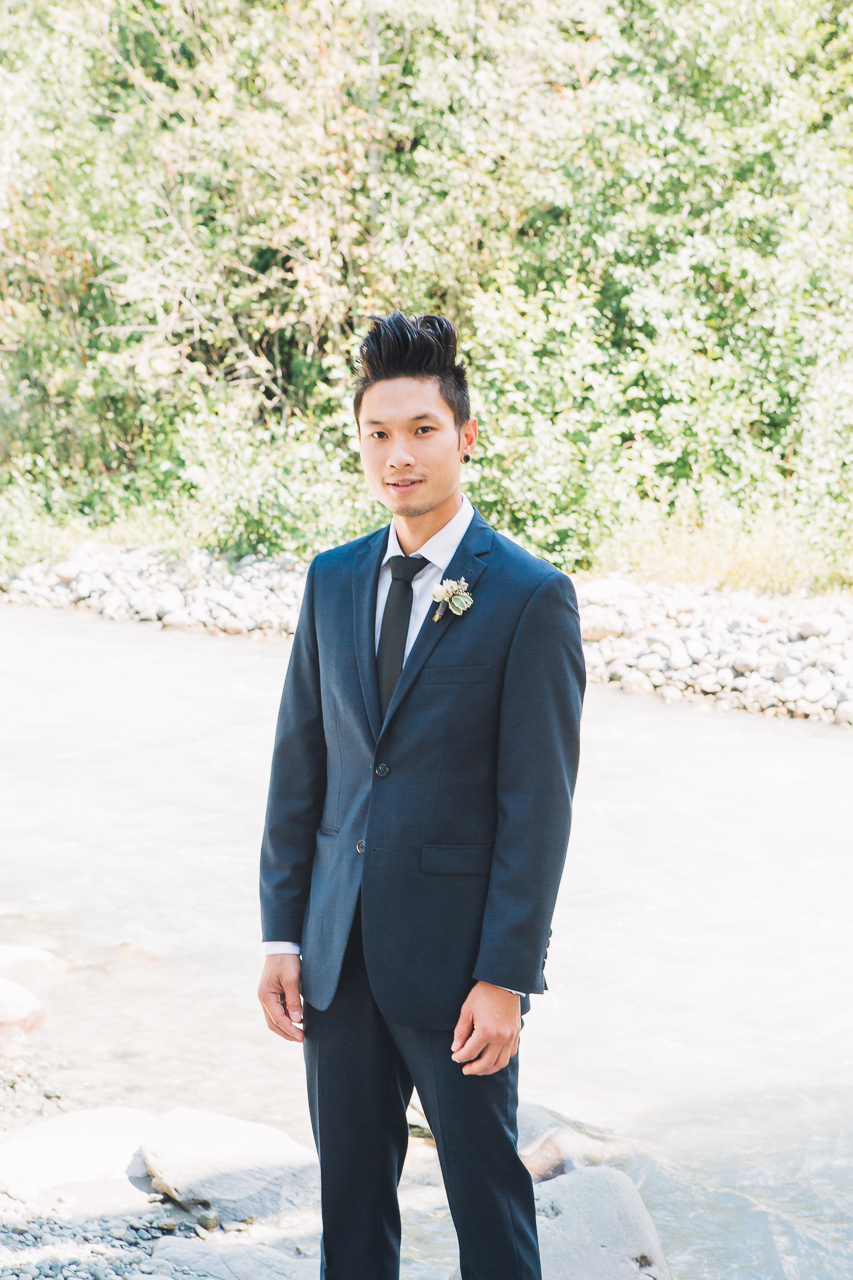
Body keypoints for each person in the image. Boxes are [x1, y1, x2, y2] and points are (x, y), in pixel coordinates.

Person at [258, 311, 585, 1280]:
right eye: (378, 433)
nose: (397, 454)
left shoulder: (528, 594)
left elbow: (537, 808)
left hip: (457, 973)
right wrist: (283, 935)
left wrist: (506, 976)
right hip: (335, 957)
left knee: (488, 1205)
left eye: (421, 430)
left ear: (464, 437)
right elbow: (300, 768)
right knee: (351, 1204)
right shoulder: (331, 579)